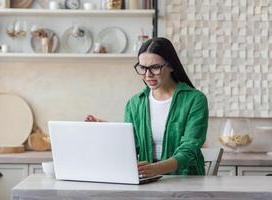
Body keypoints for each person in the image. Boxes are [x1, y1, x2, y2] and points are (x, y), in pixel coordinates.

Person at [85, 37, 208, 177]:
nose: (148, 75)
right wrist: (106, 129)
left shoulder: (195, 99)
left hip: (185, 181)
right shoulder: (134, 103)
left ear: (171, 66)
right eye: (143, 68)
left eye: (155, 67)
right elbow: (131, 146)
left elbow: (188, 150)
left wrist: (156, 169)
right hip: (147, 178)